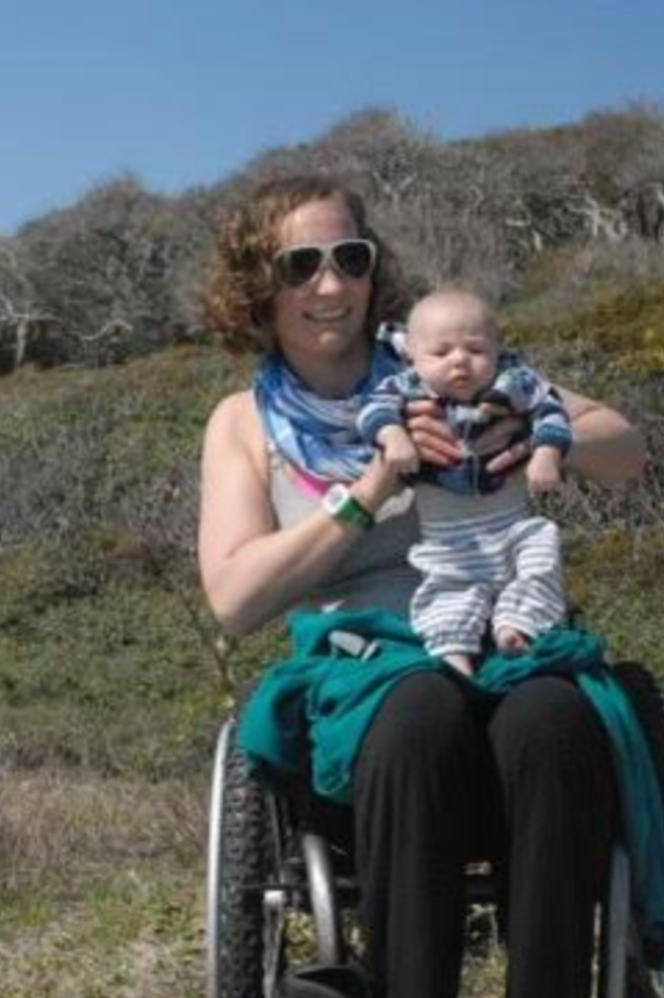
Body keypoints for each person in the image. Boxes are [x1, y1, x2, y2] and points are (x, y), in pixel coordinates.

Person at [198, 174, 647, 998]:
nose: (329, 285)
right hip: (369, 662)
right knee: (417, 714)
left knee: (554, 722)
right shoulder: (244, 422)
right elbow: (234, 597)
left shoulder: (445, 359)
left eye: (349, 257)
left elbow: (627, 451)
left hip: (506, 633)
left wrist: (532, 433)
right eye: (300, 265)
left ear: (374, 271)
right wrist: (370, 490)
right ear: (258, 284)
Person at [357, 286, 572, 676]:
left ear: (496, 348)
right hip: (449, 539)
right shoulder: (405, 388)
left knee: (541, 553)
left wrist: (546, 452)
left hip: (511, 529)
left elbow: (552, 410)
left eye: (475, 350)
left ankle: (517, 626)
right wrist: (394, 436)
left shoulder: (514, 381)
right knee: (446, 590)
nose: (459, 361)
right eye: (441, 353)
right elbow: (372, 412)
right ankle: (453, 651)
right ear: (412, 356)